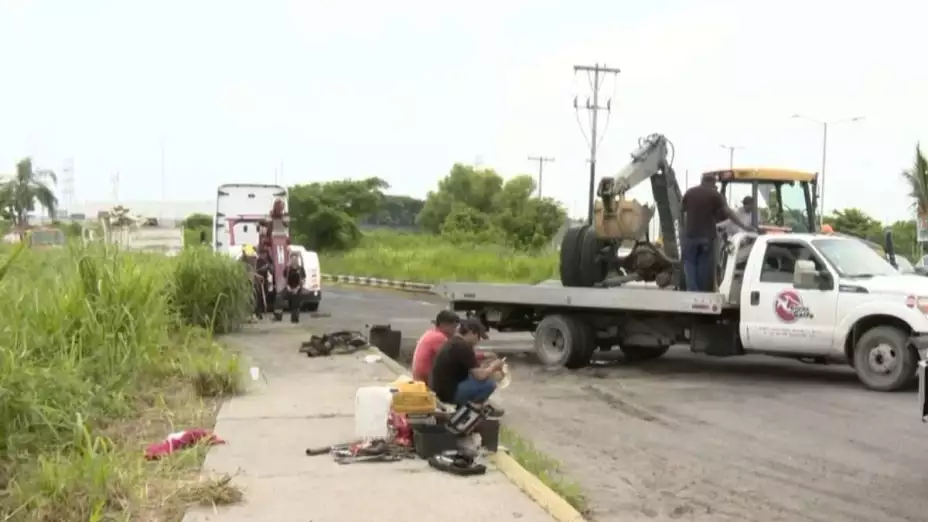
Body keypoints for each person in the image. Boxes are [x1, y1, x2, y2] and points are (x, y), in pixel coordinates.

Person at [681, 173, 756, 291]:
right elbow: (728, 212)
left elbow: (682, 211)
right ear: (712, 182)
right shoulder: (715, 195)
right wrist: (744, 227)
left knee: (690, 263)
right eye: (714, 184)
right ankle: (701, 292)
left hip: (690, 236)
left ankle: (692, 290)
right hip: (707, 237)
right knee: (704, 265)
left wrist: (684, 230)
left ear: (702, 180)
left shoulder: (690, 193)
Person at [429, 319, 506, 412]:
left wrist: (485, 366)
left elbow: (472, 369)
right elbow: (479, 376)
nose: (478, 341)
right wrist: (494, 366)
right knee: (490, 384)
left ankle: (464, 406)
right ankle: (469, 410)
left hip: (438, 389)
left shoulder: (454, 342)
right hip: (447, 394)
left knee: (481, 378)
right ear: (471, 332)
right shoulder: (463, 346)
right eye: (479, 336)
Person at [412, 312, 499, 384]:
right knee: (482, 381)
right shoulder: (439, 337)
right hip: (425, 380)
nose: (455, 331)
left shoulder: (432, 333)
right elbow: (458, 357)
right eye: (453, 327)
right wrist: (485, 356)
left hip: (422, 377)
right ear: (444, 325)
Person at [278, 252, 305, 323]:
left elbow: (303, 280)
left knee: (295, 303)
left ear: (297, 260)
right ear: (290, 260)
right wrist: (287, 287)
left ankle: (294, 320)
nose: (294, 261)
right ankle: (278, 316)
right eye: (292, 259)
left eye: (295, 259)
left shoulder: (301, 269)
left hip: (297, 289)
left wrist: (297, 288)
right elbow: (284, 279)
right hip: (289, 288)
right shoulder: (288, 269)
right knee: (279, 296)